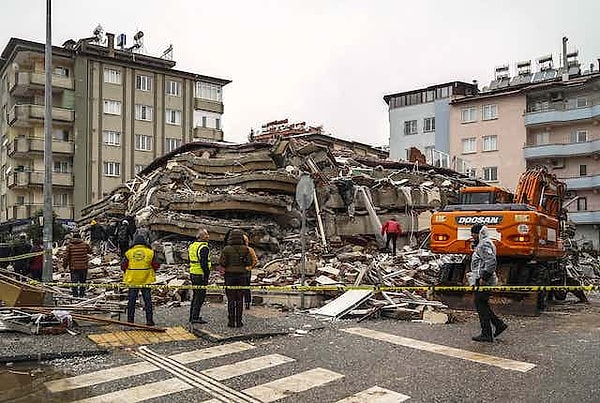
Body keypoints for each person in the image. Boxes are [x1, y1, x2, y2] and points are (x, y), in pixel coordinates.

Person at [469, 223, 507, 342]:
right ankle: (498, 325)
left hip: (484, 280)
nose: (472, 236)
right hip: (482, 278)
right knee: (482, 304)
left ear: (479, 233)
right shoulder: (483, 243)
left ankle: (487, 333)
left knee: (480, 304)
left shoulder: (484, 244)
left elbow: (491, 262)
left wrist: (484, 278)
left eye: (474, 234)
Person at [122, 234, 159, 326]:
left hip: (132, 279)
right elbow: (156, 265)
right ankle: (149, 321)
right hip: (146, 279)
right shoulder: (150, 252)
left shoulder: (129, 253)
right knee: (147, 301)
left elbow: (123, 266)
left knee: (131, 301)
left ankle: (130, 321)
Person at [219, 229, 253, 327]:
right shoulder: (245, 249)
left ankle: (231, 321)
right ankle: (239, 321)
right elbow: (249, 262)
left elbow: (222, 263)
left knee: (230, 299)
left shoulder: (226, 249)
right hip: (242, 276)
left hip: (229, 276)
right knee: (239, 299)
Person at [188, 229, 211, 325]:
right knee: (200, 297)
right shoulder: (204, 248)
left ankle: (192, 316)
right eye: (206, 235)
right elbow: (204, 263)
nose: (208, 236)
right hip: (200, 274)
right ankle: (195, 317)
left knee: (195, 296)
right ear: (202, 237)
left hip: (193, 272)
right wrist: (206, 275)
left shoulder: (192, 246)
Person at [63, 232, 91, 298]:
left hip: (74, 267)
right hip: (83, 267)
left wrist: (64, 266)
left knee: (74, 282)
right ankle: (82, 294)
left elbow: (66, 257)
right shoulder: (85, 245)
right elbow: (90, 251)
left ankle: (75, 295)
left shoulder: (69, 246)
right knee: (82, 281)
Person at [242, 234, 258, 310]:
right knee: (246, 288)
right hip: (247, 271)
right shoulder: (250, 250)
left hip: (239, 272)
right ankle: (247, 303)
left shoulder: (236, 249)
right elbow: (255, 260)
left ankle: (240, 303)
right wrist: (250, 267)